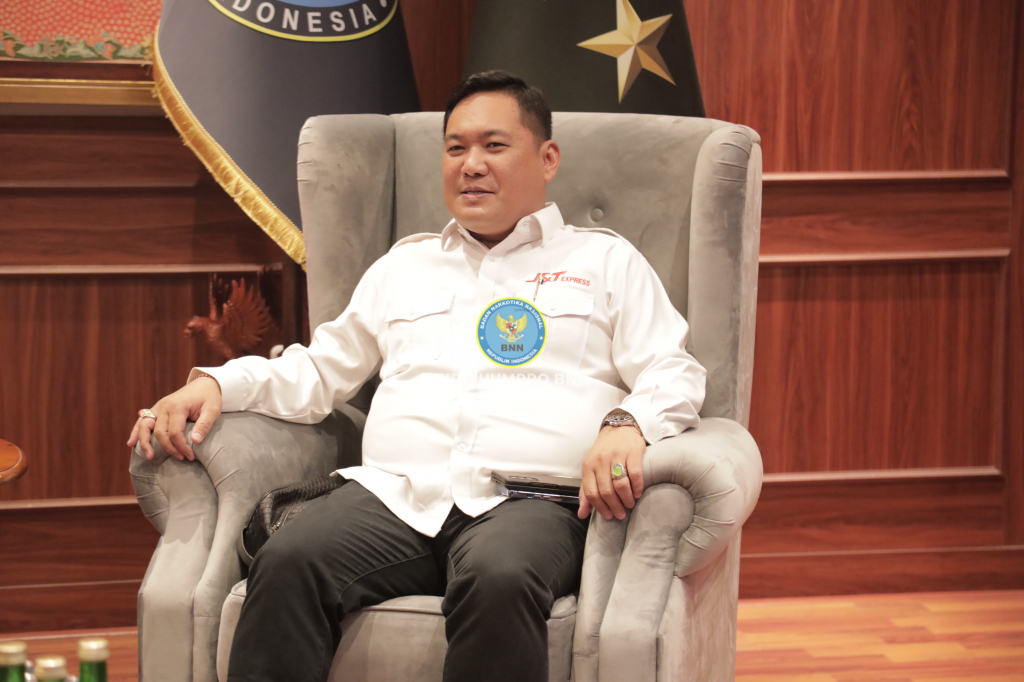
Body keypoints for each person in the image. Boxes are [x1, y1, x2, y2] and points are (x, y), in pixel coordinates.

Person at [127, 71, 706, 682]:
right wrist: (218, 384)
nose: (471, 165)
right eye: (456, 148)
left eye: (494, 145)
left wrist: (627, 424)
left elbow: (673, 370)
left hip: (529, 502)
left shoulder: (605, 261)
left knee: (501, 576)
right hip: (395, 498)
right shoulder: (405, 265)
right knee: (289, 558)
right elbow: (320, 369)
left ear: (548, 158)